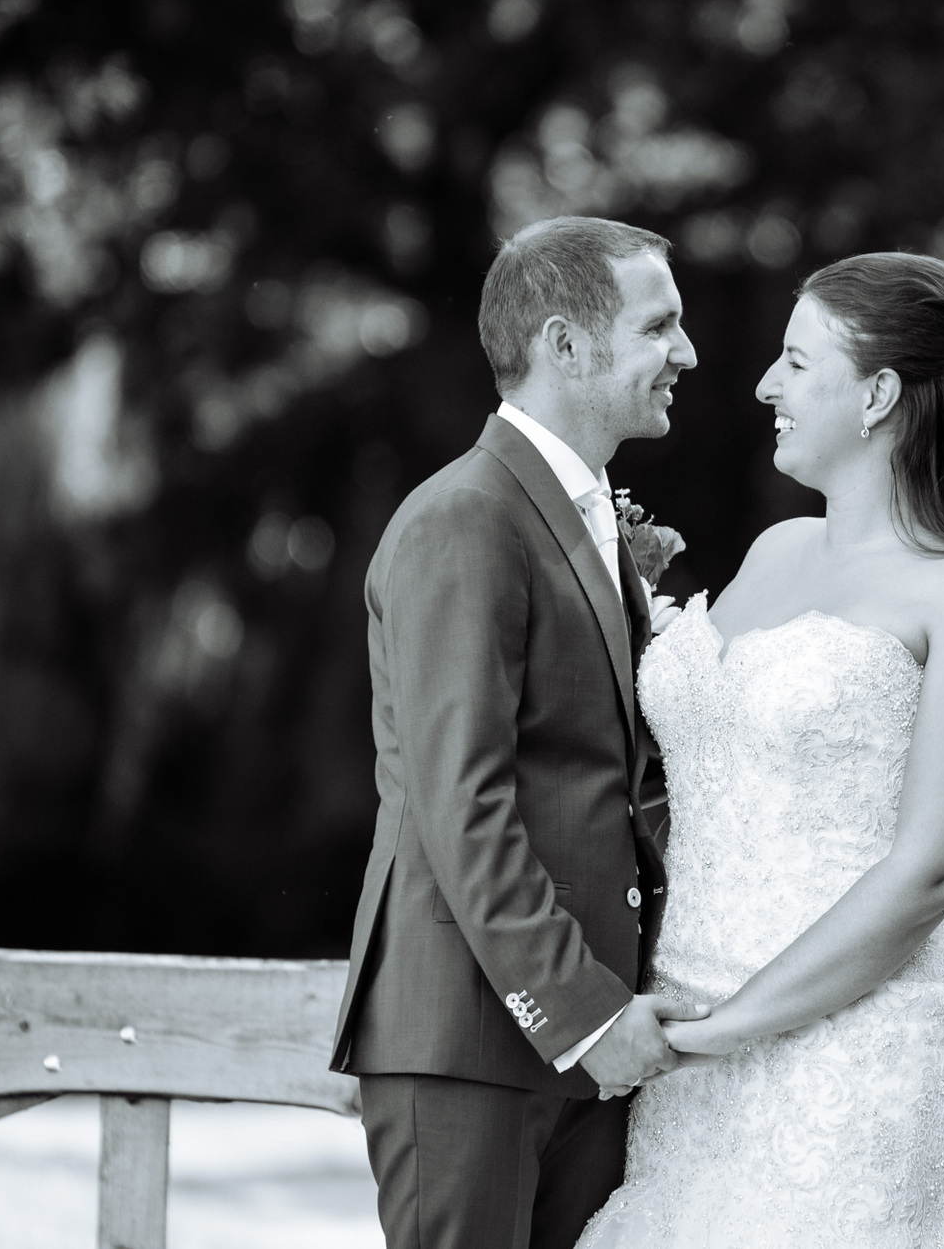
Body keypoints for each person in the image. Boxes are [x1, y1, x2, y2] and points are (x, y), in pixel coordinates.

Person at [576, 252, 944, 1247]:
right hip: (687, 1022)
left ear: (878, 392)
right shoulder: (776, 552)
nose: (763, 386)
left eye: (795, 362)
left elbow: (933, 871)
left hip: (855, 1039)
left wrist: (730, 1028)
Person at [328, 215, 708, 1249]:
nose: (688, 354)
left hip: (591, 1045)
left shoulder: (581, 515)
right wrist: (583, 1013)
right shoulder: (465, 516)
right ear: (564, 345)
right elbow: (464, 803)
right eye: (659, 327)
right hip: (473, 1038)